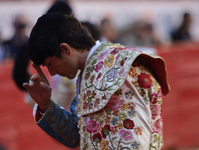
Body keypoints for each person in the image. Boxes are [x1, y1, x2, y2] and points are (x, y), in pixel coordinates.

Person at [23, 12, 170, 150]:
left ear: (65, 49)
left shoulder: (119, 64)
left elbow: (134, 140)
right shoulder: (87, 73)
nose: (52, 72)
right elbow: (78, 137)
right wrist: (45, 104)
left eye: (50, 64)